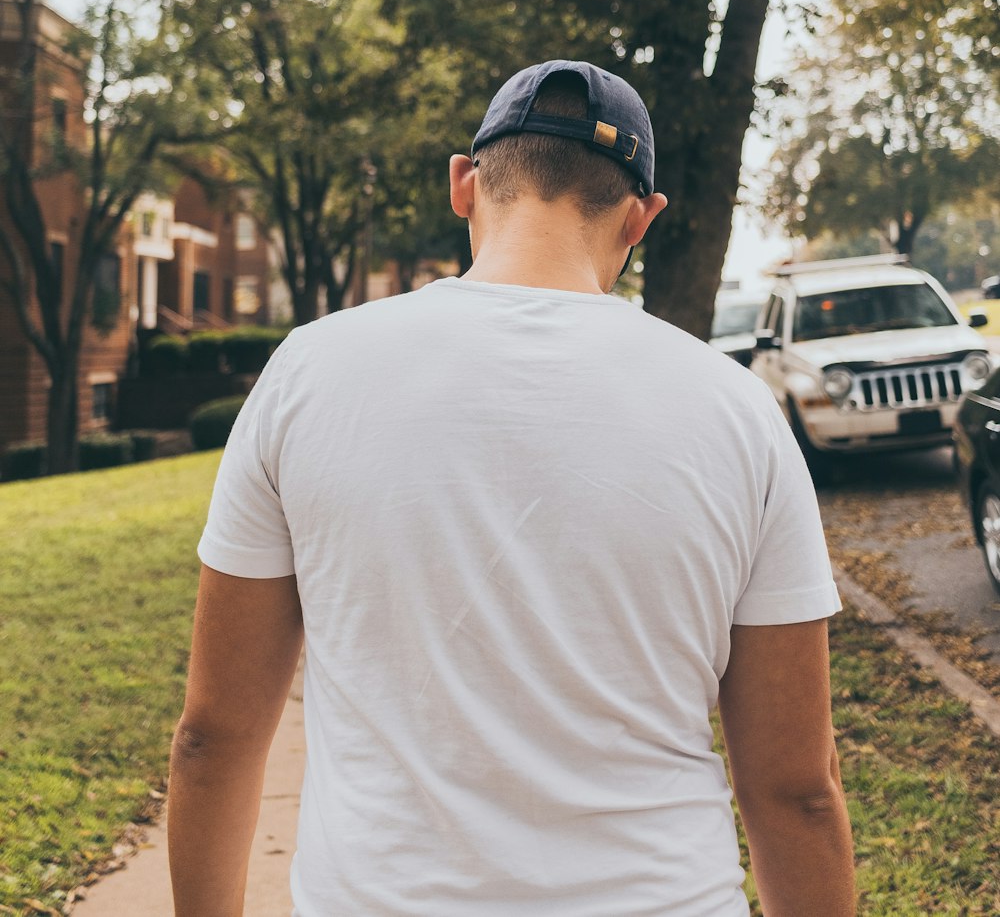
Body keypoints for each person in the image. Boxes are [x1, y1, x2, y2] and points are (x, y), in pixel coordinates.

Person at [168, 59, 855, 917]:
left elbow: (212, 738)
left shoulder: (306, 373)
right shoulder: (740, 413)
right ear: (642, 217)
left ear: (465, 183)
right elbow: (797, 788)